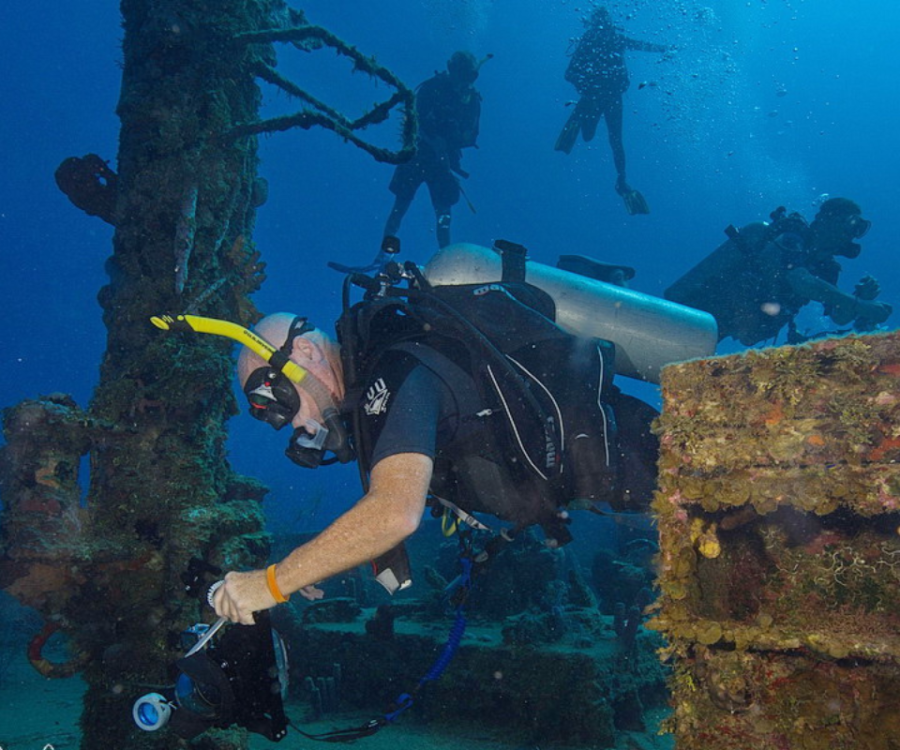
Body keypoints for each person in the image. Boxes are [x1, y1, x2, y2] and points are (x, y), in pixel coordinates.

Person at [211, 293, 658, 625]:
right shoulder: (374, 396)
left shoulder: (394, 373)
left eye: (278, 401)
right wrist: (314, 561)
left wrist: (271, 583)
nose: (288, 423)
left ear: (305, 352)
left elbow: (394, 512)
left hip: (638, 460)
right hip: (611, 487)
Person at [664, 197, 892, 347]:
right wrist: (860, 305)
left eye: (859, 229)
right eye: (851, 223)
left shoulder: (827, 267)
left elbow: (838, 316)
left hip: (730, 325)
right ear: (825, 219)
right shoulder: (791, 237)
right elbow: (800, 281)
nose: (853, 233)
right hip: (706, 307)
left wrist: (861, 299)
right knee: (672, 343)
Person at [554, 7, 670, 215]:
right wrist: (665, 48)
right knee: (615, 139)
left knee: (592, 136)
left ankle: (578, 119)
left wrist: (585, 86)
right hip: (610, 96)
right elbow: (641, 45)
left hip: (595, 95)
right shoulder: (614, 38)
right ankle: (622, 180)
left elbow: (569, 73)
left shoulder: (590, 39)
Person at [383, 51, 484, 248]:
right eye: (459, 73)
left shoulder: (472, 100)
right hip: (417, 155)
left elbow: (472, 135)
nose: (462, 81)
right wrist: (432, 139)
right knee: (400, 206)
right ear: (450, 69)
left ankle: (445, 256)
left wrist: (451, 143)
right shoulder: (431, 88)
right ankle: (384, 254)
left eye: (468, 75)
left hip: (444, 161)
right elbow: (414, 119)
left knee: (443, 215)